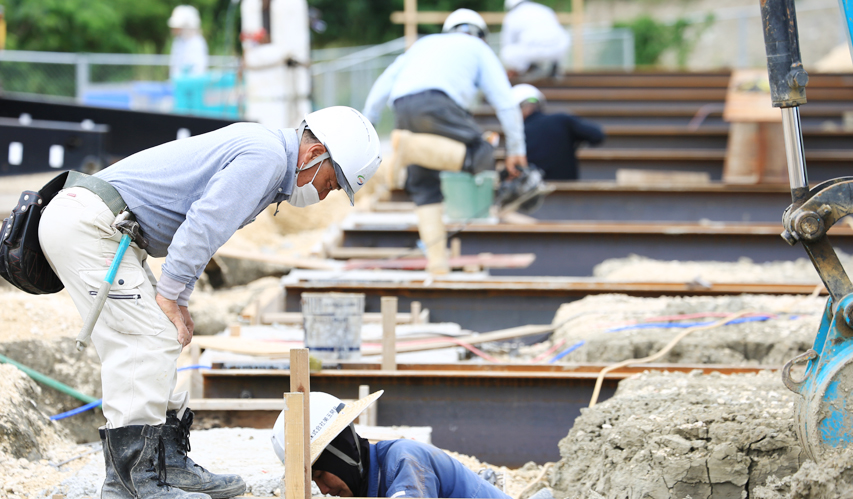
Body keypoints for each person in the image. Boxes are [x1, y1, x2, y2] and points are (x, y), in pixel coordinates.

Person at [37, 107, 381, 498]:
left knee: (160, 334)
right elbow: (202, 224)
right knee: (144, 340)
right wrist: (169, 295)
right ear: (314, 153)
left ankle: (167, 465)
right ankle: (132, 482)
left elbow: (201, 229)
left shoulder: (267, 159)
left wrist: (177, 299)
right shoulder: (265, 158)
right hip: (89, 226)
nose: (325, 194)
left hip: (106, 229)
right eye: (331, 182)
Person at [362, 8, 526, 275]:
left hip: (403, 107)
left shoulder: (423, 45)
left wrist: (367, 128)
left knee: (425, 185)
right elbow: (505, 103)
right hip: (440, 105)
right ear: (481, 35)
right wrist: (517, 149)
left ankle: (438, 263)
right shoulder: (478, 47)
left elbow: (382, 86)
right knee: (481, 151)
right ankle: (409, 148)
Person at [272, 391, 510, 499]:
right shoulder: (374, 482)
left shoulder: (403, 460)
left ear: (344, 454)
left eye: (321, 474)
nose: (323, 490)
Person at [513, 83, 604, 180]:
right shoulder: (562, 120)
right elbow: (597, 135)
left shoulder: (516, 134)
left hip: (533, 192)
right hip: (568, 191)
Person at [500, 0, 570, 81]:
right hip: (559, 49)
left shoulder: (512, 16)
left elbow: (507, 42)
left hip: (534, 51)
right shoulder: (544, 9)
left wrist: (512, 67)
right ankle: (554, 67)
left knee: (507, 52)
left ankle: (531, 68)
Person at [169, 5, 209, 79]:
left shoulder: (197, 42)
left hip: (192, 84)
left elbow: (198, 69)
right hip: (179, 84)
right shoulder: (178, 41)